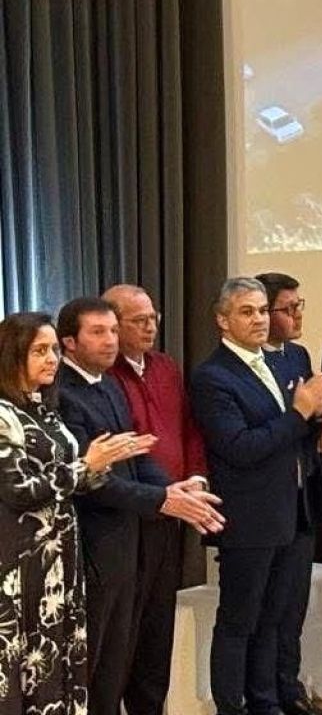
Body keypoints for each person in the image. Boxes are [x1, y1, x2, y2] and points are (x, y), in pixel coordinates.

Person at [192, 278, 322, 715]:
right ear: (222, 320)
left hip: (293, 509)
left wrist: (320, 414)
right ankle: (232, 705)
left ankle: (267, 702)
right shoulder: (212, 376)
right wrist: (301, 412)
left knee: (275, 618)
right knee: (240, 620)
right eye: (247, 312)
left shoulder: (284, 363)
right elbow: (241, 447)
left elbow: (295, 438)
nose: (260, 319)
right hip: (249, 516)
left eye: (263, 310)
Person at [55, 296, 223, 714]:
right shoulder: (63, 394)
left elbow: (137, 453)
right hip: (94, 545)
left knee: (122, 658)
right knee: (95, 664)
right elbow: (94, 481)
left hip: (126, 542)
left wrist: (174, 490)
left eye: (113, 330)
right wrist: (163, 500)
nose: (110, 341)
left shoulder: (108, 384)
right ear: (68, 343)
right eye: (98, 332)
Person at [1, 311, 154, 714]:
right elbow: (20, 490)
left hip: (62, 561)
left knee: (62, 659)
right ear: (12, 355)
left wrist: (122, 471)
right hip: (21, 566)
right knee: (27, 663)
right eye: (39, 351)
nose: (51, 359)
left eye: (52, 349)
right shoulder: (2, 415)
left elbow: (73, 479)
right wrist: (88, 465)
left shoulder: (43, 409)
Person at [101, 283, 209, 715]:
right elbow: (129, 451)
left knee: (158, 625)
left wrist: (196, 477)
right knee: (125, 628)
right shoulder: (107, 377)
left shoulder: (165, 366)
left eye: (153, 319)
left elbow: (188, 428)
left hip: (174, 509)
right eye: (138, 321)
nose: (150, 328)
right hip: (132, 515)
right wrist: (162, 492)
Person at [256, 271, 322, 715]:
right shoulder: (254, 363)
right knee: (267, 609)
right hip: (266, 502)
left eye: (299, 306)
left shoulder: (298, 355)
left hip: (304, 494)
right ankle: (266, 694)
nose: (296, 316)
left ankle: (289, 688)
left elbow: (307, 424)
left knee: (294, 605)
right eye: (286, 309)